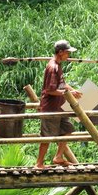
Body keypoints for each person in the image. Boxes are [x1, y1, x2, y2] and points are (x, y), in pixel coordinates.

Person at [35, 40, 82, 169]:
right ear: (60, 52)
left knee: (68, 129)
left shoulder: (58, 65)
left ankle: (59, 156)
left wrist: (72, 90)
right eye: (67, 53)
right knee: (47, 137)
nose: (68, 55)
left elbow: (61, 84)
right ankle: (39, 163)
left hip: (59, 107)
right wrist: (66, 93)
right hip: (51, 108)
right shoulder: (52, 67)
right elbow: (49, 90)